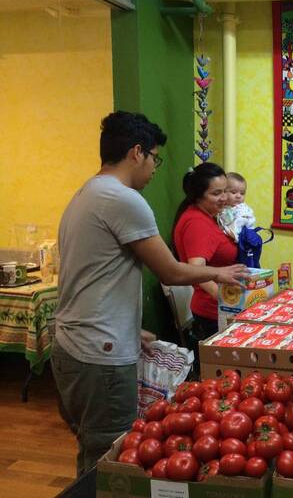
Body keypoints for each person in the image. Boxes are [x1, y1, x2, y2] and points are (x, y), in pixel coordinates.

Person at [52, 111, 250, 476]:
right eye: (155, 158)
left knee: (93, 447)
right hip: (99, 352)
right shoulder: (123, 200)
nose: (155, 167)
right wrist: (220, 273)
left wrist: (129, 328)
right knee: (109, 460)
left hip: (75, 342)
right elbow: (171, 271)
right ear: (136, 152)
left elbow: (91, 279)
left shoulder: (88, 192)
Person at [172, 164, 238, 365]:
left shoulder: (205, 217)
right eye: (216, 193)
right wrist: (228, 303)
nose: (225, 198)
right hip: (213, 314)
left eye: (226, 190)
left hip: (216, 310)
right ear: (199, 195)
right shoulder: (197, 223)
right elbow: (196, 271)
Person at [217, 171, 256, 242]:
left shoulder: (242, 210)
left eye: (242, 193)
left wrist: (232, 234)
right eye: (233, 192)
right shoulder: (225, 207)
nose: (238, 196)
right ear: (224, 191)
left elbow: (239, 223)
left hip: (240, 238)